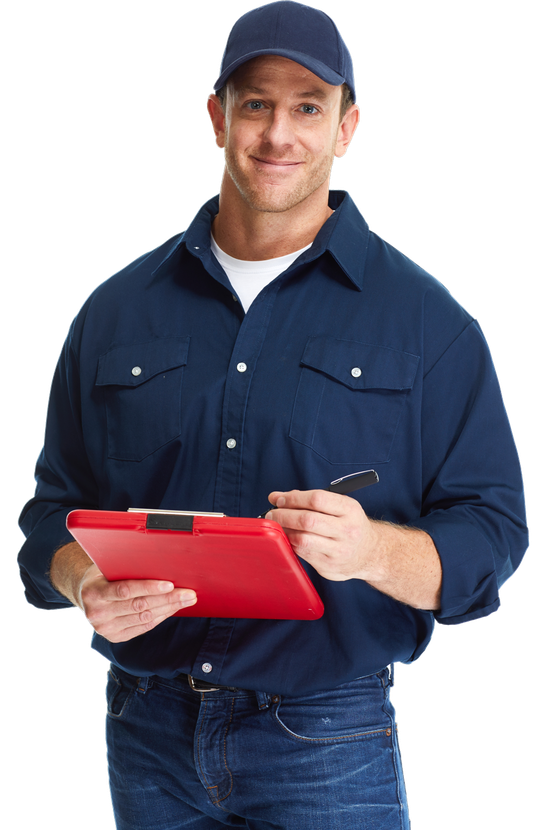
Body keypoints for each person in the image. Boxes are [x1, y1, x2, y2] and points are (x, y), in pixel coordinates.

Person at [16, 2, 529, 828]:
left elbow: (493, 537)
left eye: (307, 107)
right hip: (143, 731)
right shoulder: (112, 314)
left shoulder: (430, 323)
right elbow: (51, 512)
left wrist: (371, 551)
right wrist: (84, 584)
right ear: (216, 117)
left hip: (325, 736)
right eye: (255, 103)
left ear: (346, 128)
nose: (278, 134)